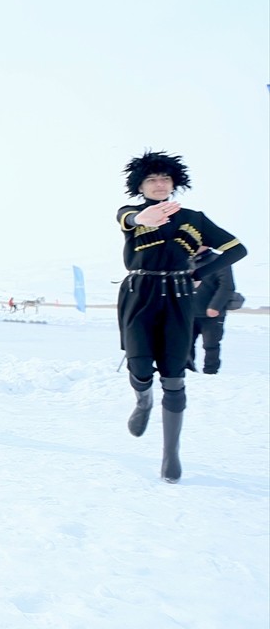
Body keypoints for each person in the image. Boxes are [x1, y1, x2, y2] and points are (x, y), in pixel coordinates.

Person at [117, 151, 246, 483]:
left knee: (174, 376)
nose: (159, 184)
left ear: (174, 183)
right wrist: (142, 218)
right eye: (152, 179)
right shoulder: (133, 212)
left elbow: (237, 249)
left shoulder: (194, 218)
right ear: (141, 185)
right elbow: (127, 218)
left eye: (165, 179)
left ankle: (170, 454)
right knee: (140, 365)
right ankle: (143, 401)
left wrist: (200, 271)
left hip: (178, 297)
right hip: (140, 293)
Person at [188, 246, 236, 375]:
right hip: (188, 313)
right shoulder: (185, 261)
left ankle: (210, 373)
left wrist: (215, 306)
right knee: (186, 345)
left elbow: (227, 286)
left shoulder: (218, 261)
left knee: (211, 345)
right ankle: (189, 372)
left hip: (212, 315)